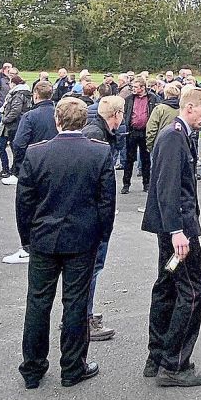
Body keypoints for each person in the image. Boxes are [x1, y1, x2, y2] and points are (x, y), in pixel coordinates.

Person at [16, 97, 116, 390]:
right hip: (81, 238)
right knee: (75, 303)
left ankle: (32, 368)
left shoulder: (38, 154)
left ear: (57, 120)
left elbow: (24, 202)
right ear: (83, 122)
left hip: (45, 238)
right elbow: (106, 202)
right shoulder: (97, 153)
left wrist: (27, 238)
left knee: (38, 302)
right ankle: (72, 367)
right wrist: (102, 236)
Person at [142, 88, 201, 387]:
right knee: (192, 290)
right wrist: (177, 232)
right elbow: (167, 187)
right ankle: (174, 363)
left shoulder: (180, 134)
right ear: (189, 107)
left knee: (167, 285)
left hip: (172, 228)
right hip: (178, 232)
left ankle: (157, 356)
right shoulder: (173, 136)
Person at [78, 95, 125, 341]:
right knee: (91, 269)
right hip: (92, 217)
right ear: (116, 115)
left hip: (90, 213)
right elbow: (94, 181)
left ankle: (81, 316)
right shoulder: (96, 135)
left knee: (90, 269)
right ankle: (82, 319)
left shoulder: (98, 131)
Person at [4, 81, 55, 186]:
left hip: (35, 161)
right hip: (56, 159)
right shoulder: (59, 113)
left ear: (35, 94)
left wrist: (18, 166)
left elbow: (19, 143)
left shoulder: (30, 116)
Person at [121, 78, 158, 194]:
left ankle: (146, 183)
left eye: (136, 87)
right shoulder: (129, 99)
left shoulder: (152, 98)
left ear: (143, 87)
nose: (133, 89)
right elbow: (125, 113)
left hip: (146, 132)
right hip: (132, 132)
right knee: (129, 159)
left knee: (146, 159)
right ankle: (126, 184)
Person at [0, 75, 31, 180]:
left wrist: (5, 119)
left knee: (4, 146)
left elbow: (16, 110)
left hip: (12, 125)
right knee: (13, 147)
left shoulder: (18, 94)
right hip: (15, 124)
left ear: (14, 83)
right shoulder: (23, 93)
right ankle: (11, 169)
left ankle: (9, 170)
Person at [146, 83, 182, 151]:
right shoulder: (182, 109)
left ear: (166, 94)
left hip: (161, 143)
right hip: (179, 142)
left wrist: (150, 145)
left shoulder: (160, 108)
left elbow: (151, 128)